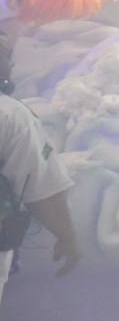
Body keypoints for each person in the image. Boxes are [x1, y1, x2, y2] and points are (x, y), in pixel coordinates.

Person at [0, 89, 80, 306]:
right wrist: (66, 236)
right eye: (6, 55)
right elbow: (42, 186)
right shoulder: (10, 114)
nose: (11, 62)